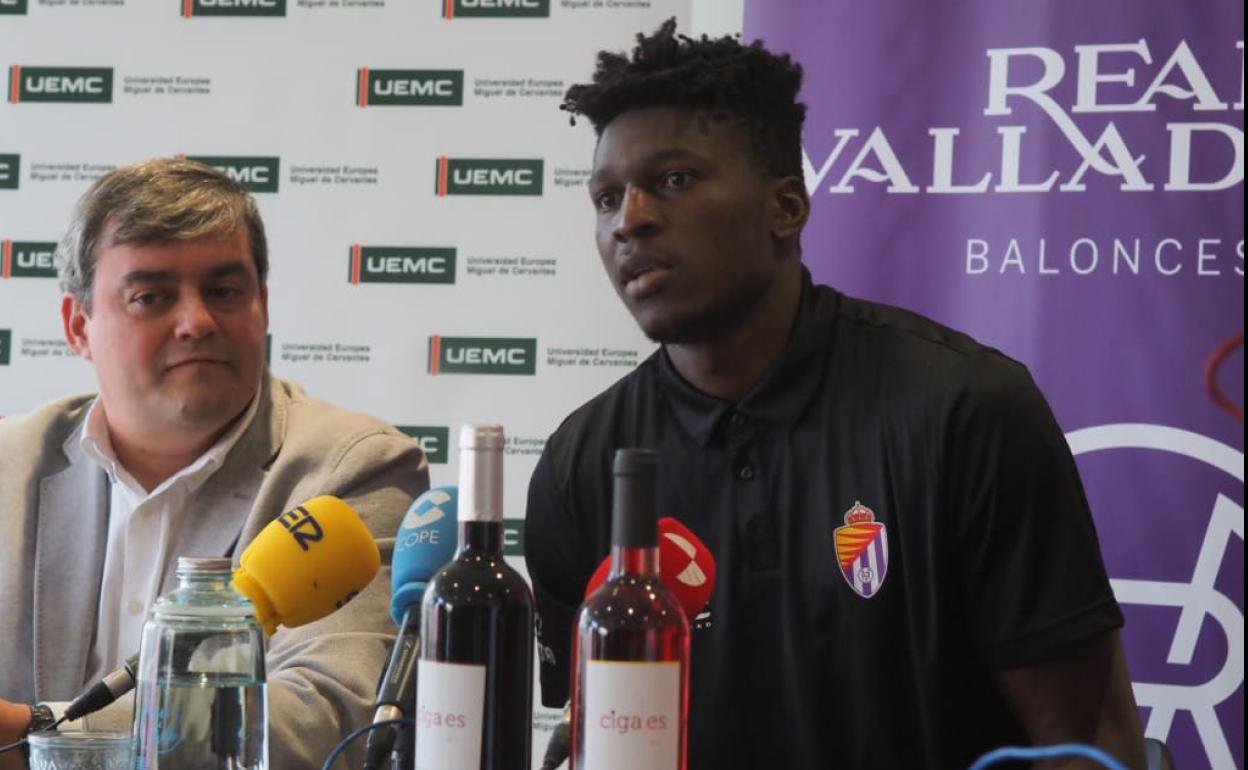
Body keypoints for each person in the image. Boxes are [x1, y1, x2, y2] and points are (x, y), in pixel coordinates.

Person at [524, 20, 1147, 770]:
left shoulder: (966, 410)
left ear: (785, 209)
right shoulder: (583, 464)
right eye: (606, 197)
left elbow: (1085, 747)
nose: (631, 220)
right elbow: (588, 736)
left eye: (675, 181)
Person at [0, 158, 428, 770]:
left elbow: (330, 717)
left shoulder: (350, 469)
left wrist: (37, 737)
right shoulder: (10, 464)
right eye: (152, 296)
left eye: (225, 292)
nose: (197, 322)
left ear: (264, 306)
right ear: (79, 327)